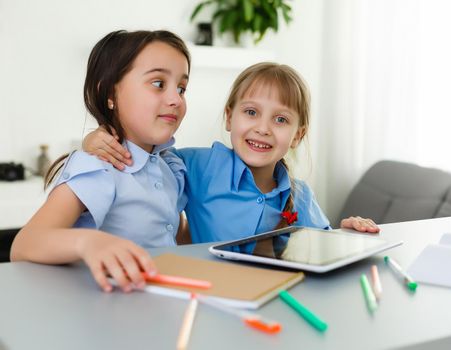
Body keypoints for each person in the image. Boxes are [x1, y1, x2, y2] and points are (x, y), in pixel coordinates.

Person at [83, 62, 379, 244]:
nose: (263, 128)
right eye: (251, 112)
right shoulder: (200, 166)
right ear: (229, 118)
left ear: (297, 135)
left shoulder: (300, 195)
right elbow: (145, 161)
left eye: (281, 119)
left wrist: (347, 234)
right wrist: (95, 140)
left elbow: (323, 249)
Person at [10, 30, 191, 293]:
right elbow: (24, 245)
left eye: (181, 88)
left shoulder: (169, 167)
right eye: (158, 83)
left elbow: (175, 237)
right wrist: (88, 243)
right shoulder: (99, 166)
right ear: (110, 94)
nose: (175, 99)